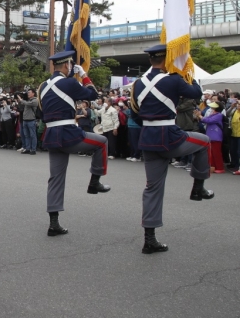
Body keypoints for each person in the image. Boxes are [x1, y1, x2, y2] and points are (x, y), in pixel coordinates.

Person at [130, 44, 214, 254]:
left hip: (148, 139)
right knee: (203, 141)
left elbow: (134, 115)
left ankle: (149, 239)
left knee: (152, 188)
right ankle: (198, 187)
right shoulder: (174, 79)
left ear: (151, 60)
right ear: (168, 60)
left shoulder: (138, 84)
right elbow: (197, 92)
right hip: (169, 137)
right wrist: (185, 69)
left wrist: (150, 128)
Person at [38, 50, 111, 237]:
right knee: (101, 142)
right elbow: (93, 95)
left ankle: (53, 223)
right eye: (70, 65)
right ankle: (95, 182)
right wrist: (84, 75)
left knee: (55, 178)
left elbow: (41, 112)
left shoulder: (42, 86)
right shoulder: (70, 82)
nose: (71, 68)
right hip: (68, 133)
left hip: (52, 134)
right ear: (66, 66)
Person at [196, 102, 225, 173]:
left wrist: (200, 116)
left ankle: (220, 167)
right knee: (211, 152)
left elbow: (208, 120)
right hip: (211, 135)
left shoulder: (219, 115)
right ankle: (212, 166)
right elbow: (205, 119)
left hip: (216, 135)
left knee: (216, 153)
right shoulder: (213, 114)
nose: (211, 109)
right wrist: (199, 116)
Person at [19, 89, 39, 155]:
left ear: (33, 93)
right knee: (26, 135)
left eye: (29, 92)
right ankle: (27, 148)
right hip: (25, 120)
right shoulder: (28, 100)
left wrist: (21, 100)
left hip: (31, 120)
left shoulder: (35, 100)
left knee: (32, 135)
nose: (28, 94)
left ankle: (33, 149)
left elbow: (27, 103)